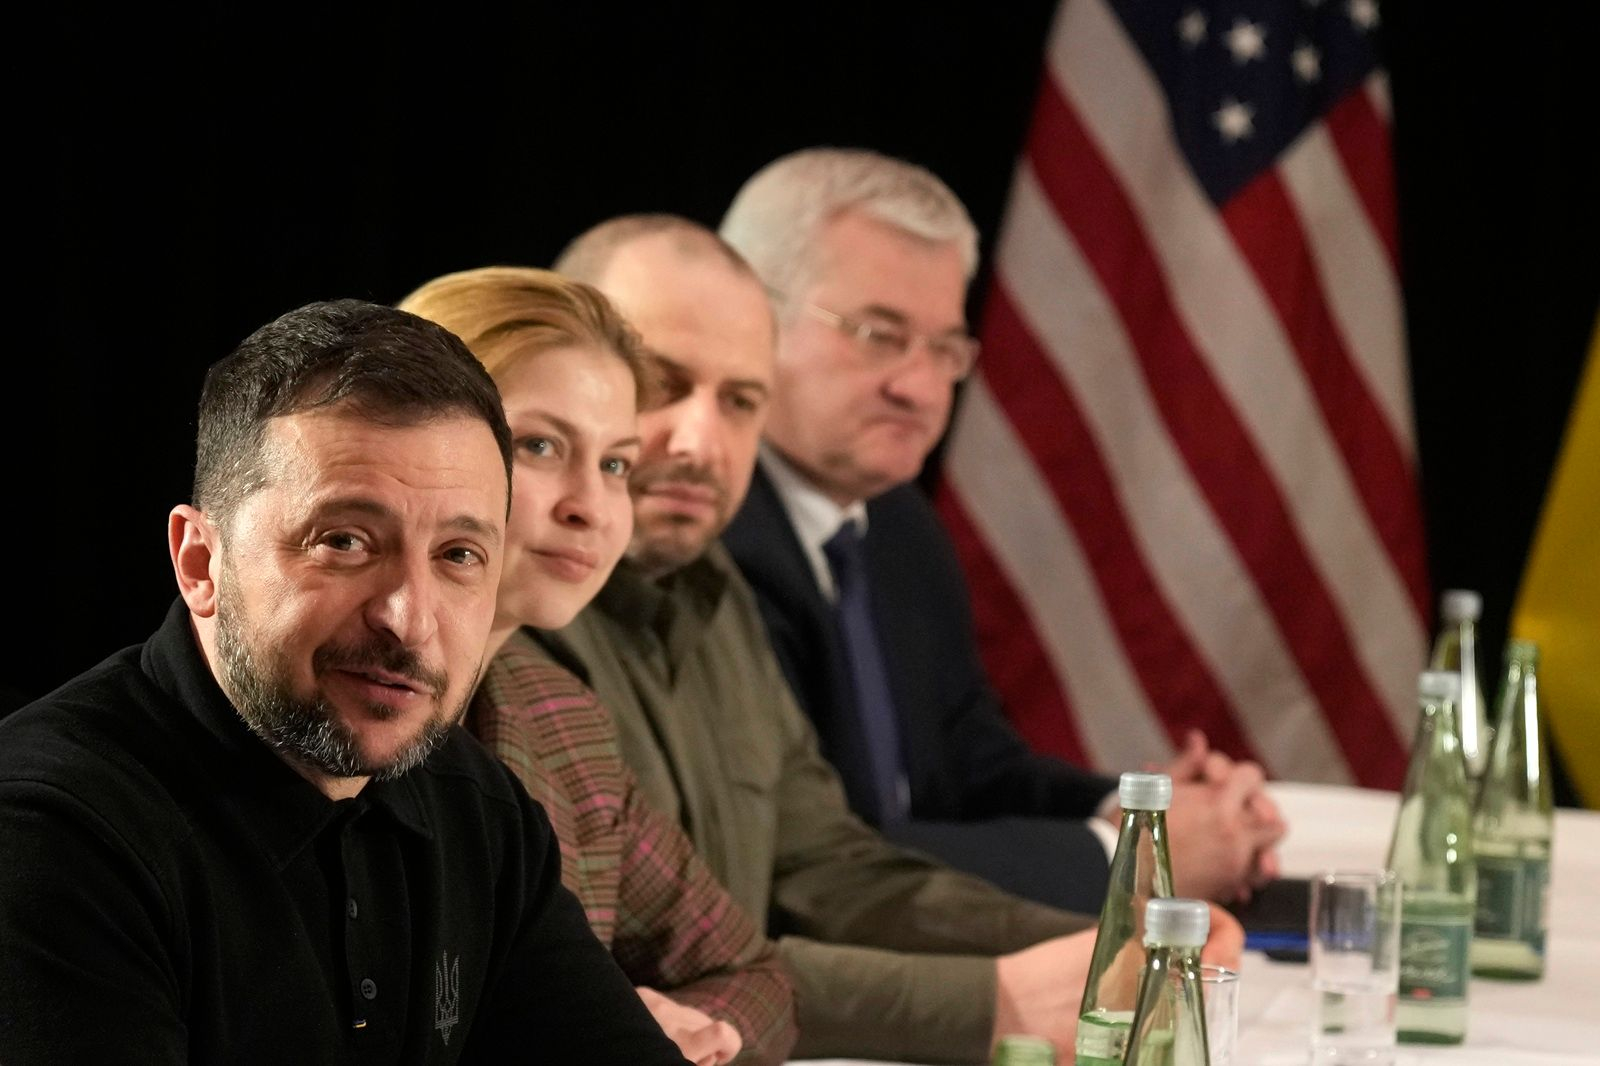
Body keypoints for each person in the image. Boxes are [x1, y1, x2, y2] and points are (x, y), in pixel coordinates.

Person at [539, 215, 1244, 1064]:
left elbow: (824, 869)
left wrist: (1111, 944)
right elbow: (611, 977)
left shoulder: (710, 588)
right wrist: (1001, 998)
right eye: (660, 383)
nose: (699, 442)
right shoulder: (511, 629)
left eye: (740, 401)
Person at [0, 300, 690, 1065]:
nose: (409, 618)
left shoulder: (481, 814)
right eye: (345, 541)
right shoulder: (49, 834)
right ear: (201, 561)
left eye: (459, 555)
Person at [717, 147, 1287, 912]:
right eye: (878, 334)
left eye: (945, 348)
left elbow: (972, 772)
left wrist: (1146, 812)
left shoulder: (896, 523)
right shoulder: (709, 539)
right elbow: (810, 864)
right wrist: (1127, 857)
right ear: (748, 315)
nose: (919, 387)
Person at [397, 266, 796, 1066]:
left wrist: (693, 1026)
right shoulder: (316, 714)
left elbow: (753, 975)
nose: (590, 505)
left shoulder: (560, 718)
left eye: (615, 463)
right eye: (540, 446)